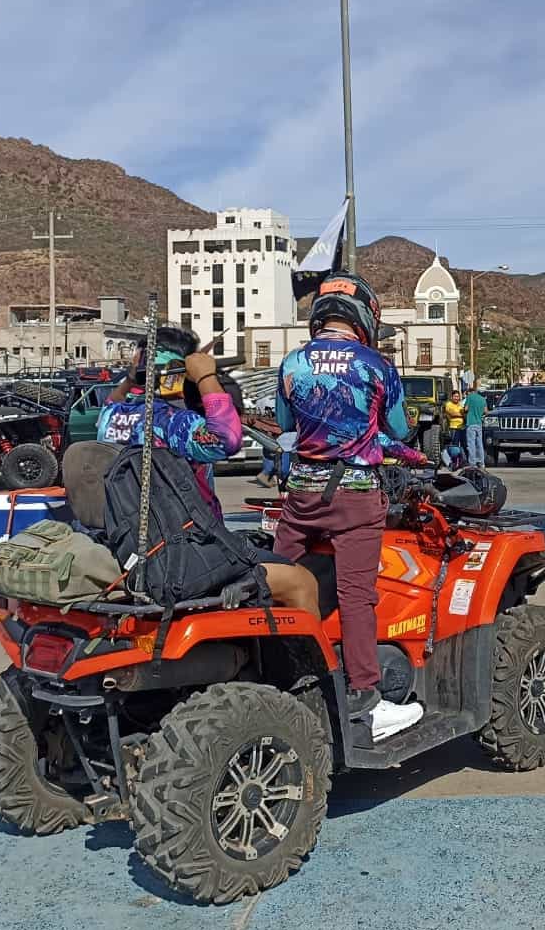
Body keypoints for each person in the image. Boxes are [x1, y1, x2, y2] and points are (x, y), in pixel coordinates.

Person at [273, 273, 424, 743]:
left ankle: (271, 676)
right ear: (365, 319)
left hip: (300, 496)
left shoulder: (293, 363)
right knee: (357, 596)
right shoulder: (376, 366)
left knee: (274, 581)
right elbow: (397, 428)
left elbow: (285, 424)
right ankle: (367, 700)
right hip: (356, 496)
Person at [98, 331, 319, 618]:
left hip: (139, 545)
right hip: (184, 550)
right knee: (301, 582)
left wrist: (130, 378)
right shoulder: (172, 423)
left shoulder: (111, 418)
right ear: (175, 374)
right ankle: (313, 663)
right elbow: (226, 438)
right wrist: (205, 377)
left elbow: (111, 402)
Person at [462, 386, 488, 468]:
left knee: (471, 444)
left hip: (471, 423)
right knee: (479, 443)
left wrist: (463, 411)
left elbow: (466, 409)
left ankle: (472, 463)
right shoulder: (482, 399)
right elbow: (486, 412)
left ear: (469, 392)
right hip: (479, 423)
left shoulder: (470, 397)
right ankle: (481, 462)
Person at [442, 389, 466, 466]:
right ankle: (454, 462)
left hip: (462, 427)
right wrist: (461, 414)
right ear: (452, 397)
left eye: (458, 396)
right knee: (454, 446)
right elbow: (452, 413)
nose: (456, 398)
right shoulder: (448, 404)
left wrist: (462, 413)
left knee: (463, 445)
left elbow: (465, 412)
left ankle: (462, 461)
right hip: (454, 427)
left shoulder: (460, 404)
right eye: (455, 396)